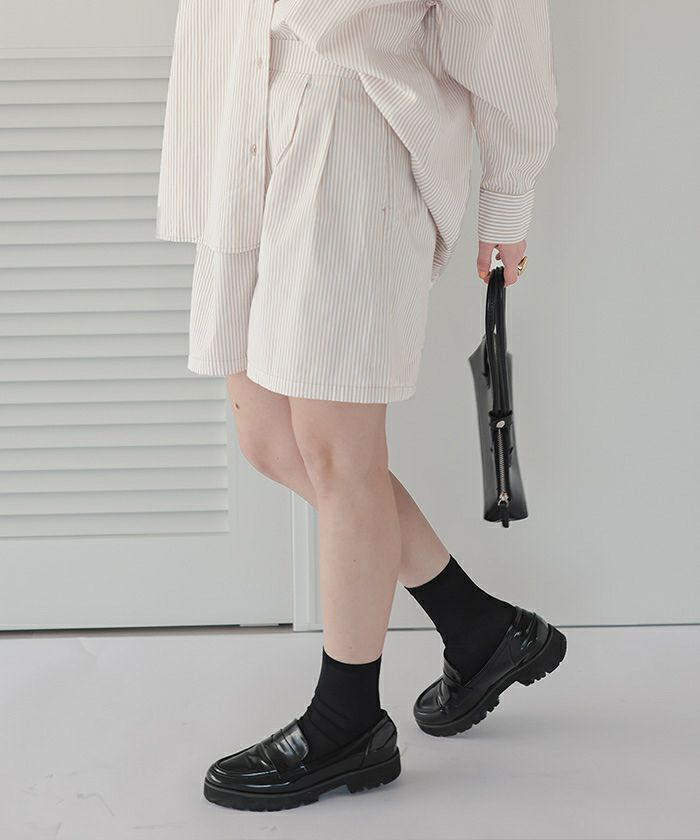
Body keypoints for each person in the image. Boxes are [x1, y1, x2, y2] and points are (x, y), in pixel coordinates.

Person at [156, 0, 565, 811]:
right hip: (238, 113)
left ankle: (348, 718)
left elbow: (500, 20)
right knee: (269, 437)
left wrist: (508, 197)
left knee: (339, 454)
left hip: (347, 127)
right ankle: (477, 626)